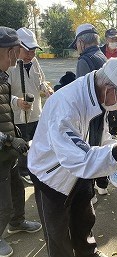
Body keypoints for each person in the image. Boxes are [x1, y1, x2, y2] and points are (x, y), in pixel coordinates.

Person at [28, 57, 117, 257]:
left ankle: (86, 250)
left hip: (81, 167)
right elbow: (75, 158)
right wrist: (114, 152)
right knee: (56, 227)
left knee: (84, 213)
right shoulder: (66, 104)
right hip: (51, 172)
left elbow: (99, 136)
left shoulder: (98, 96)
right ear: (110, 89)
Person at [0, 26, 42, 257]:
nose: (15, 58)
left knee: (17, 189)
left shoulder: (3, 78)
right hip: (3, 149)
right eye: (12, 53)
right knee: (3, 201)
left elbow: (6, 105)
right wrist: (9, 139)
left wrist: (15, 132)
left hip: (8, 150)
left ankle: (17, 222)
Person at [8, 27, 53, 185]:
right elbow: (4, 92)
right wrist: (18, 101)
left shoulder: (34, 61)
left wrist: (47, 89)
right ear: (17, 47)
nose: (31, 54)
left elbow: (41, 81)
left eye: (33, 50)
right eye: (27, 50)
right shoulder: (8, 64)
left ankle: (35, 167)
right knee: (22, 144)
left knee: (37, 142)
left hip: (36, 112)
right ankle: (23, 170)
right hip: (18, 116)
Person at [70, 23, 109, 198]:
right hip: (103, 110)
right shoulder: (102, 56)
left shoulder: (85, 60)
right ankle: (102, 184)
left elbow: (81, 92)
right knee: (100, 145)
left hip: (90, 114)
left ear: (81, 43)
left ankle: (89, 193)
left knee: (88, 150)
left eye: (77, 45)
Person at [100, 27, 117, 142]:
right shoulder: (100, 51)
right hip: (103, 86)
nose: (115, 41)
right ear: (106, 40)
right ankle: (104, 134)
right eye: (112, 39)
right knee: (104, 111)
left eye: (116, 39)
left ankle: (114, 132)